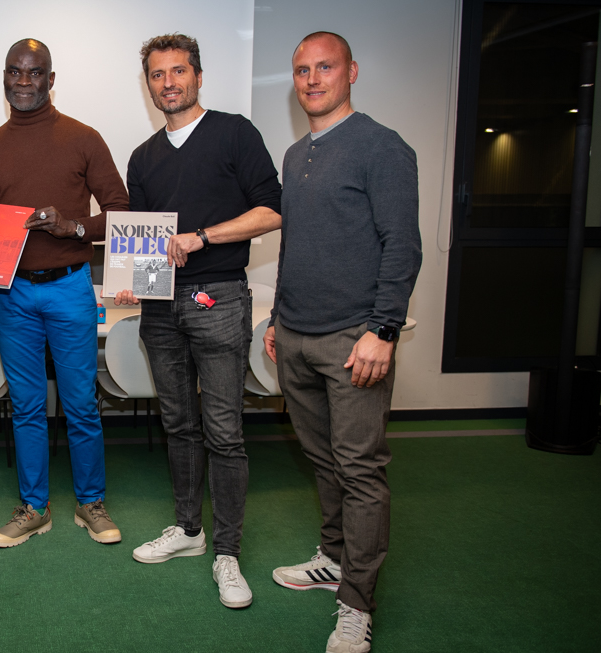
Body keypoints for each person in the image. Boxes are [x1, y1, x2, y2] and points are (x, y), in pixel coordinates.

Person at [263, 32, 421, 653]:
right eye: (301, 70)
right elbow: (295, 245)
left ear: (351, 71)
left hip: (354, 340)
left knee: (360, 470)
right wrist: (276, 318)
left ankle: (357, 603)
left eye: (324, 67)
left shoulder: (382, 147)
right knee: (323, 460)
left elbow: (401, 246)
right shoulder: (295, 152)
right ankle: (332, 558)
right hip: (296, 336)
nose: (311, 79)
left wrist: (383, 330)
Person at [116, 33, 282, 609]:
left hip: (219, 298)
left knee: (224, 432)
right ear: (150, 84)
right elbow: (139, 243)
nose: (169, 82)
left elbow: (271, 210)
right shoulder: (142, 156)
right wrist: (127, 282)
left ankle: (228, 553)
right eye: (158, 74)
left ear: (198, 76)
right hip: (159, 307)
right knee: (178, 426)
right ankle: (189, 531)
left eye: (179, 71)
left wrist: (202, 236)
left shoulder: (235, 132)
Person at [0, 39, 130, 548]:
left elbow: (121, 211)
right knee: (26, 405)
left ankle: (90, 503)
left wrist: (73, 228)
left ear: (51, 79)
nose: (23, 81)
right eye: (14, 72)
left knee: (81, 402)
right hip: (12, 296)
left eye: (34, 73)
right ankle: (34, 508)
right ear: (3, 77)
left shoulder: (83, 138)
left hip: (69, 289)